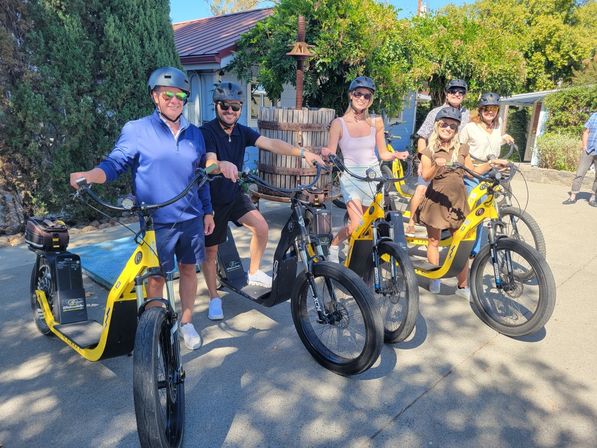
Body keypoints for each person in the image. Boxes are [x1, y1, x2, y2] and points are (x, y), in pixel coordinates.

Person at [69, 67, 216, 350]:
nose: (174, 100)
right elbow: (115, 164)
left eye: (180, 96)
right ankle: (155, 324)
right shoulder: (137, 129)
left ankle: (186, 322)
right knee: (157, 276)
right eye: (167, 95)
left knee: (188, 270)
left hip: (192, 217)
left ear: (186, 99)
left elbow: (202, 177)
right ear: (155, 97)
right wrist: (91, 174)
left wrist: (207, 211)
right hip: (156, 220)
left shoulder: (195, 133)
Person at [201, 82, 325, 320]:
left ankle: (254, 271)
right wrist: (220, 166)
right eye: (225, 106)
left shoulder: (241, 131)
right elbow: (209, 162)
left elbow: (270, 143)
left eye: (235, 107)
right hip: (212, 200)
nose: (230, 111)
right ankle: (214, 297)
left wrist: (303, 153)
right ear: (216, 106)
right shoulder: (207, 132)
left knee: (261, 227)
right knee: (211, 251)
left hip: (234, 194)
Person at [414, 107, 502, 299]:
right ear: (437, 126)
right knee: (434, 241)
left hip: (458, 202)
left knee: (461, 243)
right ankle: (435, 277)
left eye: (452, 126)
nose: (448, 128)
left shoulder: (462, 149)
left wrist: (493, 164)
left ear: (456, 130)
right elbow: (426, 177)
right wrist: (437, 164)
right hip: (436, 201)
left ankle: (462, 286)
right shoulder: (429, 151)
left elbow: (474, 171)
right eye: (444, 124)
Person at [320, 76, 409, 263]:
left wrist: (396, 155)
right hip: (351, 176)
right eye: (358, 94)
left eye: (367, 96)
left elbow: (383, 153)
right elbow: (331, 150)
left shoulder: (376, 122)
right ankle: (335, 245)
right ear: (351, 95)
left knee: (368, 224)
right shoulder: (339, 123)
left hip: (373, 176)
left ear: (371, 99)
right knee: (356, 225)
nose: (362, 98)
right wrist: (326, 153)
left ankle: (359, 261)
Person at [406, 79, 471, 236]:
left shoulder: (466, 114)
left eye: (461, 92)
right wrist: (423, 160)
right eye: (453, 91)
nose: (457, 94)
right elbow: (422, 137)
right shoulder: (435, 113)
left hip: (454, 159)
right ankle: (411, 221)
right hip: (434, 156)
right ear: (447, 94)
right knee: (422, 189)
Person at [459, 92, 513, 256]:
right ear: (480, 110)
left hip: (492, 167)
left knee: (500, 197)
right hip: (474, 170)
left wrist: (505, 138)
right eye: (486, 109)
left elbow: (493, 143)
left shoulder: (497, 125)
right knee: (478, 205)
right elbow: (462, 150)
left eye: (494, 109)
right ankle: (471, 248)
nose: (490, 112)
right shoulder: (470, 128)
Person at [563, 112, 597, 207]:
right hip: (589, 150)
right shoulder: (594, 116)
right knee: (579, 173)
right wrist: (584, 145)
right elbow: (586, 132)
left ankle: (593, 198)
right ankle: (573, 197)